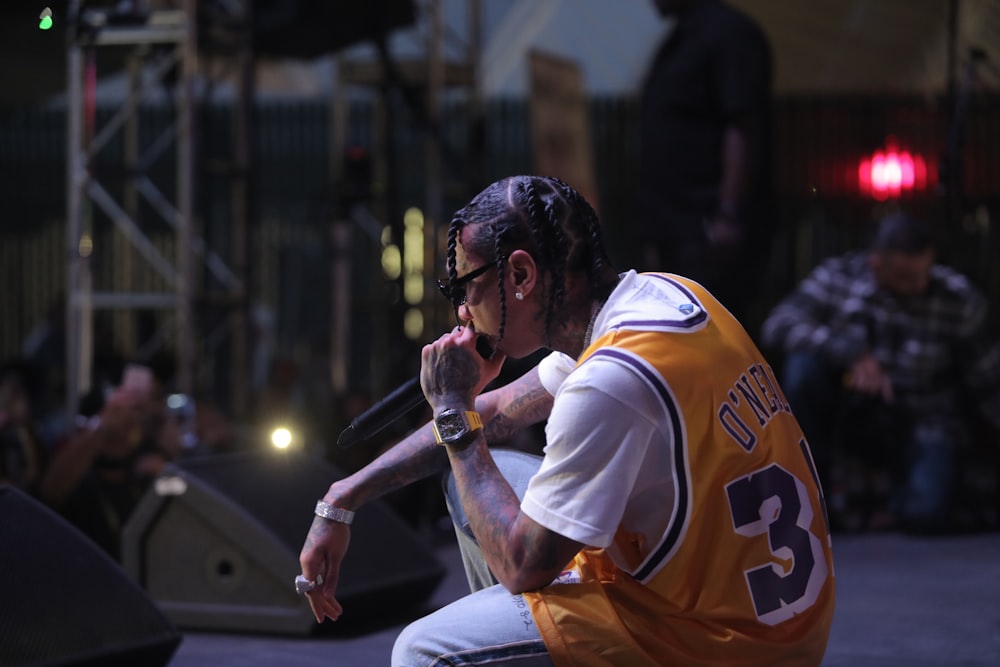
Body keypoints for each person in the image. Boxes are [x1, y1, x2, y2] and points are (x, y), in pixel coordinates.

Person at [298, 175, 834, 666]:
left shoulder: (608, 381)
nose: (462, 310)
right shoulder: (664, 299)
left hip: (713, 640)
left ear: (522, 275)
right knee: (483, 475)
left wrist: (449, 407)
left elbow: (519, 564)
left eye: (466, 285)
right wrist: (344, 497)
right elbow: (493, 415)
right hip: (769, 611)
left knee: (423, 651)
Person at [760, 211, 1000, 534]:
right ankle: (813, 494)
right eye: (904, 277)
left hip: (924, 418)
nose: (916, 286)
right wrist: (850, 354)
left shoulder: (957, 298)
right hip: (851, 412)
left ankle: (894, 500)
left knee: (927, 513)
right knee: (803, 369)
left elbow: (988, 379)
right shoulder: (839, 278)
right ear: (876, 263)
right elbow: (778, 325)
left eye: (922, 274)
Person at [636, 0, 774, 330]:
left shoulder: (728, 33)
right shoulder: (680, 39)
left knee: (715, 332)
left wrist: (728, 213)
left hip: (709, 228)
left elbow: (742, 124)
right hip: (680, 226)